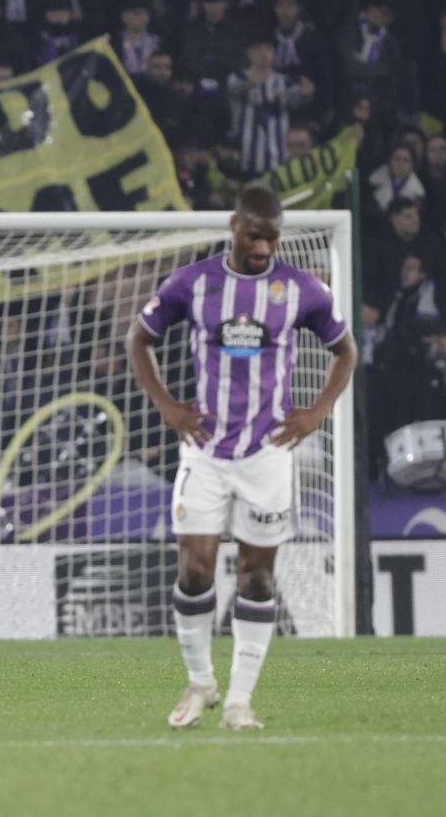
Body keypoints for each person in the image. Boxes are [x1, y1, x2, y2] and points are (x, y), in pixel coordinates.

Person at [125, 184, 359, 730]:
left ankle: (239, 701)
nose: (262, 247)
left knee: (257, 577)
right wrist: (165, 405)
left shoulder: (301, 289)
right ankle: (201, 682)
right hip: (204, 450)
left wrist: (317, 411)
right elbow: (139, 338)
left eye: (271, 238)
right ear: (234, 225)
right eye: (254, 235)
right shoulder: (193, 283)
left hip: (268, 453)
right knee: (195, 567)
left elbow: (345, 349)